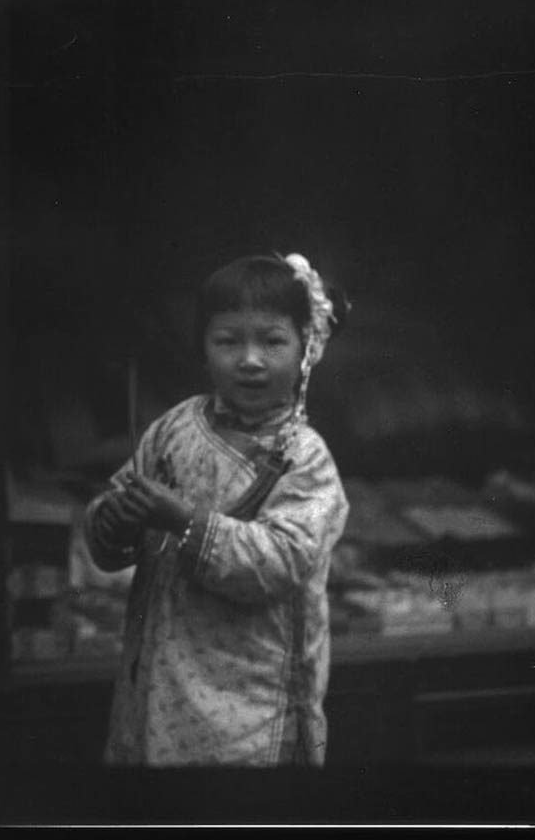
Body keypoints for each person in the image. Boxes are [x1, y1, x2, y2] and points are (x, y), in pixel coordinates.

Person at [84, 253, 350, 767]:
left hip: (250, 694)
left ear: (306, 349)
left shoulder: (306, 459)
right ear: (203, 350)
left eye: (272, 341)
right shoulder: (175, 427)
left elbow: (278, 562)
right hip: (156, 681)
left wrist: (184, 519)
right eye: (228, 341)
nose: (250, 359)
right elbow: (111, 529)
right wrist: (115, 518)